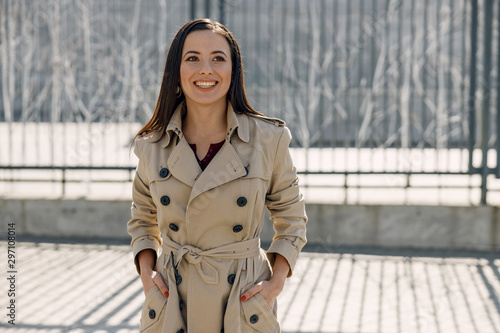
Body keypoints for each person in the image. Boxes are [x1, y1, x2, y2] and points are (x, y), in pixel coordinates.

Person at [127, 18, 307, 333]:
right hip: (172, 299)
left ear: (233, 71)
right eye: (192, 58)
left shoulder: (268, 138)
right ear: (177, 71)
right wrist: (147, 274)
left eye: (218, 59)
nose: (206, 69)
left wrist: (275, 283)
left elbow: (292, 219)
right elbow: (142, 218)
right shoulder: (152, 145)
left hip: (241, 300)